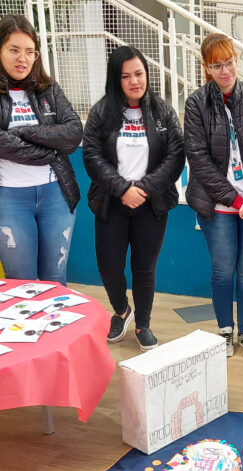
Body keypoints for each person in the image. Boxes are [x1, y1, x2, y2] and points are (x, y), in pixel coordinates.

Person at [83, 46, 184, 350]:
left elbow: (175, 155)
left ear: (146, 74)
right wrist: (122, 189)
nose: (134, 81)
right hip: (111, 202)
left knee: (144, 268)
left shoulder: (162, 111)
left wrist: (144, 189)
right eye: (126, 76)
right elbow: (91, 155)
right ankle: (121, 310)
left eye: (139, 74)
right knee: (109, 266)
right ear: (116, 79)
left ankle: (143, 324)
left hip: (151, 204)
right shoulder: (102, 112)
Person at [185, 33, 243, 359]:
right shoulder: (196, 104)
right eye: (216, 66)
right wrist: (235, 200)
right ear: (206, 67)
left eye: (229, 62)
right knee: (223, 271)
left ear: (238, 61)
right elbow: (198, 159)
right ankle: (225, 331)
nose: (225, 71)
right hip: (217, 203)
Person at [0, 14, 82, 285]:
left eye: (29, 51)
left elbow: (73, 133)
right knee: (21, 283)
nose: (22, 59)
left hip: (56, 195)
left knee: (55, 280)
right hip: (9, 198)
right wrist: (49, 153)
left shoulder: (49, 89)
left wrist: (23, 132)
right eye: (14, 50)